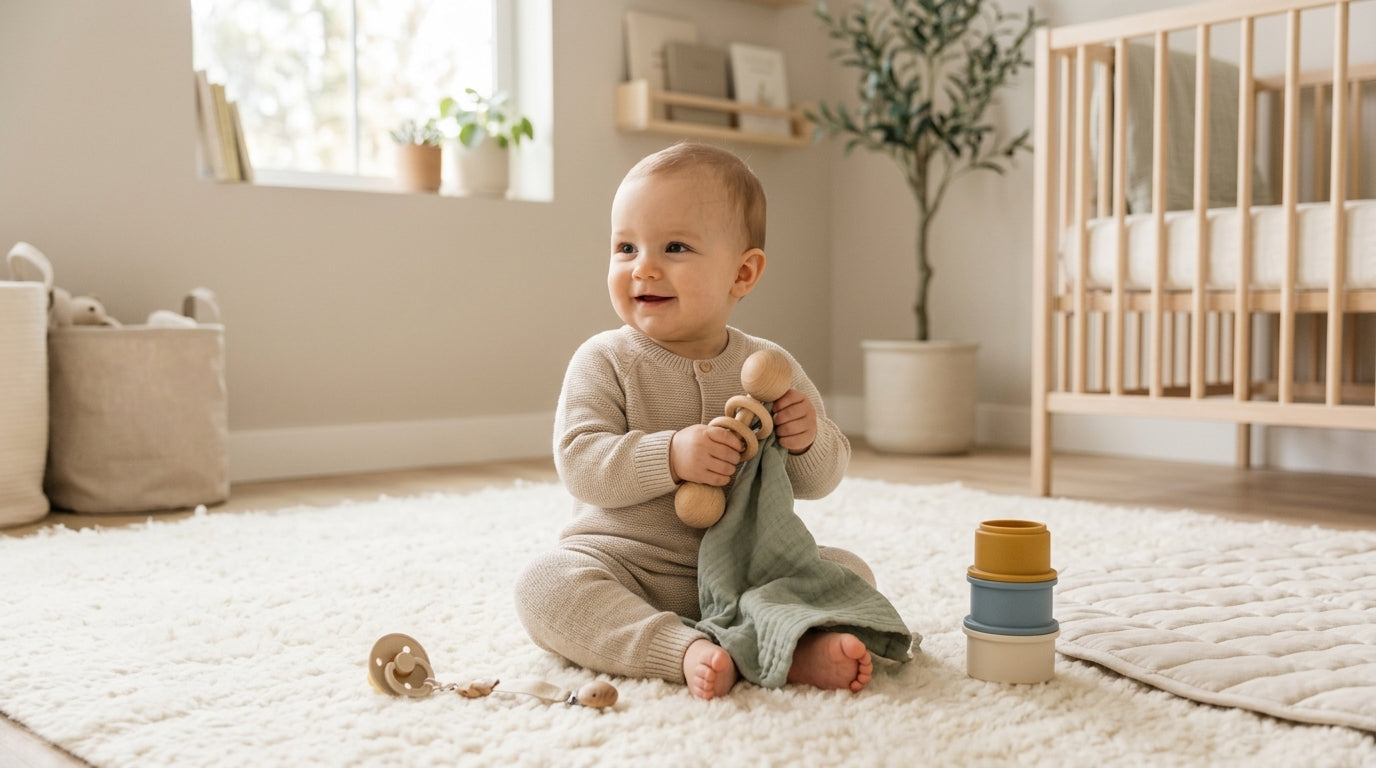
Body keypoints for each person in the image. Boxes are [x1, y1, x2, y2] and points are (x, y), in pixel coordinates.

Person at [514, 142, 880, 700]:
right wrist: (670, 454)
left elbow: (820, 481)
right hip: (625, 564)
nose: (644, 267)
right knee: (543, 586)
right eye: (625, 247)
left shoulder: (769, 367)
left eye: (675, 246)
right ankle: (682, 649)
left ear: (743, 272)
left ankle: (791, 646)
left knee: (850, 573)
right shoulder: (605, 359)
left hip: (747, 569)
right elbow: (581, 465)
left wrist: (808, 440)